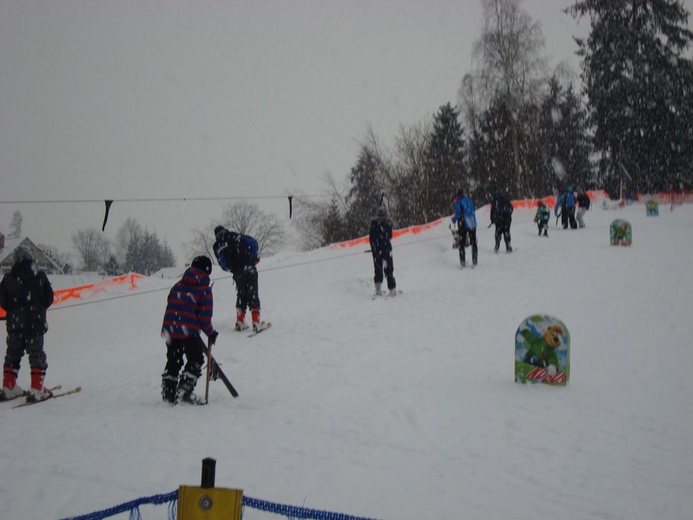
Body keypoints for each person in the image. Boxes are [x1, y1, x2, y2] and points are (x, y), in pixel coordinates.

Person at [160, 255, 218, 405]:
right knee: (196, 360)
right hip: (188, 331)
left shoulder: (178, 285)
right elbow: (204, 317)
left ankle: (168, 393)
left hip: (171, 329)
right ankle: (184, 391)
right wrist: (210, 332)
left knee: (174, 360)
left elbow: (171, 302)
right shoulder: (204, 289)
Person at [0, 255, 54, 402]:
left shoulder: (9, 278)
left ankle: (8, 386)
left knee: (12, 354)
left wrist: (15, 311)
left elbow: (3, 302)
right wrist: (37, 309)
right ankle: (37, 388)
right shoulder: (40, 276)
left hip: (14, 325)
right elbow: (49, 298)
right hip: (35, 324)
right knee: (36, 354)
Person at [213, 225, 263, 332]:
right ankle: (256, 322)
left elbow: (223, 264)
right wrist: (253, 257)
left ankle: (240, 321)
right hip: (249, 267)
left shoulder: (218, 246)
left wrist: (232, 268)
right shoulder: (235, 236)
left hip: (237, 272)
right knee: (253, 293)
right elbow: (253, 243)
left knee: (241, 294)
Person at [369, 205, 397, 295]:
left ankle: (378, 289)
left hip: (377, 251)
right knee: (389, 269)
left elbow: (371, 238)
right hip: (386, 249)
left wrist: (374, 248)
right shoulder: (387, 224)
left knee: (377, 269)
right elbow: (390, 236)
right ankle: (392, 290)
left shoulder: (373, 225)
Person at [451, 189, 478, 267]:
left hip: (463, 223)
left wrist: (453, 219)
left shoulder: (458, 202)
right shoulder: (469, 200)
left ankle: (462, 262)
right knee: (473, 242)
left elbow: (458, 214)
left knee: (462, 243)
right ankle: (475, 260)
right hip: (472, 222)